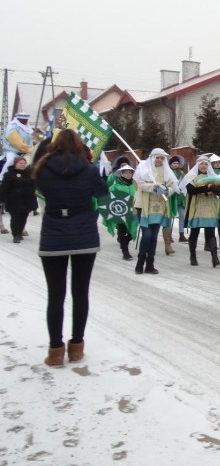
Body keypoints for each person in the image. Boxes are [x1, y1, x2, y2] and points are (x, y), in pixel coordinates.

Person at [33, 130, 108, 366]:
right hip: (84, 235)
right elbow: (102, 194)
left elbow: (37, 186)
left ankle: (55, 351)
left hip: (53, 234)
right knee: (80, 293)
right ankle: (76, 348)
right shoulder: (88, 170)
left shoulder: (43, 169)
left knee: (55, 296)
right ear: (79, 146)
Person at [132, 148, 179, 275]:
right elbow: (140, 185)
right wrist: (154, 187)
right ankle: (139, 264)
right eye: (157, 157)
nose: (159, 160)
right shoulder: (144, 169)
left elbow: (173, 186)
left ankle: (150, 265)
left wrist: (166, 190)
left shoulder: (166, 172)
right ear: (152, 158)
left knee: (153, 237)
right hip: (144, 207)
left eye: (162, 158)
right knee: (146, 235)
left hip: (159, 207)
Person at [179, 156, 220, 267]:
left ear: (208, 166)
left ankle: (215, 258)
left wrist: (212, 187)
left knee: (211, 234)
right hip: (197, 208)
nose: (204, 166)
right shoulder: (192, 177)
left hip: (209, 209)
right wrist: (207, 188)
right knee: (195, 233)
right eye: (201, 164)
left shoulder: (213, 178)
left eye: (206, 164)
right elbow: (191, 190)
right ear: (198, 165)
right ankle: (193, 256)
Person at [102, 163, 138, 261]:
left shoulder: (135, 185)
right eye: (126, 173)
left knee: (132, 231)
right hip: (121, 212)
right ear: (121, 174)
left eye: (130, 173)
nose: (128, 174)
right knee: (122, 231)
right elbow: (110, 199)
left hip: (133, 212)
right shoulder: (115, 186)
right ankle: (125, 252)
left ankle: (124, 243)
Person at [0, 155, 38, 243]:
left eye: (24, 163)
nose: (23, 165)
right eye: (20, 163)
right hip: (14, 200)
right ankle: (16, 235)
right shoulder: (9, 175)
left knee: (23, 218)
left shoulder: (29, 174)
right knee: (15, 218)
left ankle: (20, 232)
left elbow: (33, 186)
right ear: (15, 164)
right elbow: (4, 188)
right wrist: (2, 199)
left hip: (27, 200)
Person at [164, 155, 188, 247]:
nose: (176, 165)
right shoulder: (168, 172)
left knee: (182, 215)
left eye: (177, 163)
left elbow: (185, 183)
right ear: (170, 164)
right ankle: (168, 235)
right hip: (171, 196)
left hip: (180, 197)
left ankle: (181, 234)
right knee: (170, 216)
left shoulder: (181, 173)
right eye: (174, 163)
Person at [2, 111, 34, 177]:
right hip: (12, 150)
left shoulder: (27, 128)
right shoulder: (12, 127)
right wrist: (28, 149)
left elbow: (30, 140)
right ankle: (2, 177)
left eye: (26, 120)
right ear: (18, 119)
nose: (25, 121)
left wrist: (33, 148)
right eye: (24, 120)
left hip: (26, 150)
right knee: (11, 161)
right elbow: (17, 142)